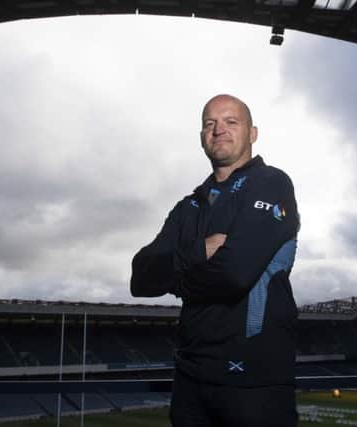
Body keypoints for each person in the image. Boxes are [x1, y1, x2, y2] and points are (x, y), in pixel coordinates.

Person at [130, 94, 299, 427]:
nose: (218, 129)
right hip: (190, 380)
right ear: (202, 138)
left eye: (231, 122)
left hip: (254, 383)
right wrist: (197, 251)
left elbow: (235, 274)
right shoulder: (187, 207)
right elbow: (140, 278)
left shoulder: (271, 183)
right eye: (210, 123)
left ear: (252, 133)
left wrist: (176, 280)